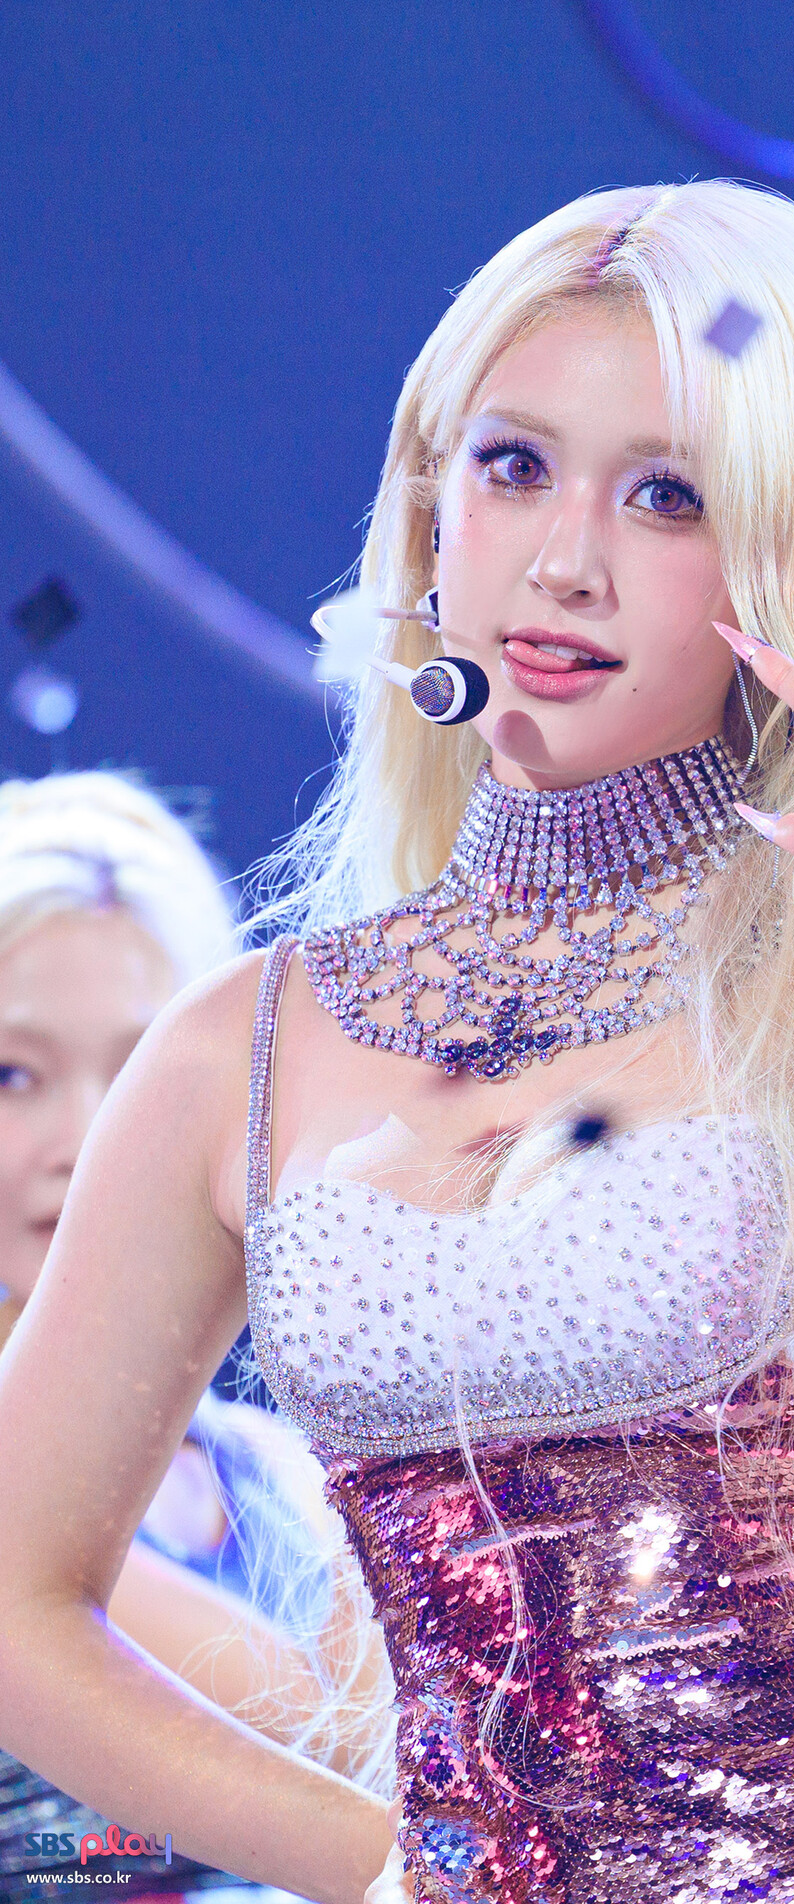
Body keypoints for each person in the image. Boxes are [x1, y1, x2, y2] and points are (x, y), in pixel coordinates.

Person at [0, 183, 794, 1904]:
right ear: (430, 508)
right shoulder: (245, 1047)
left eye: (668, 494)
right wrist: (392, 1869)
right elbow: (18, 1600)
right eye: (514, 466)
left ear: (779, 555)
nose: (565, 558)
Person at [0, 773, 392, 1898]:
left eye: (136, 1077)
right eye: (14, 1075)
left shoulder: (277, 1474)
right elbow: (369, 1752)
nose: (86, 1138)